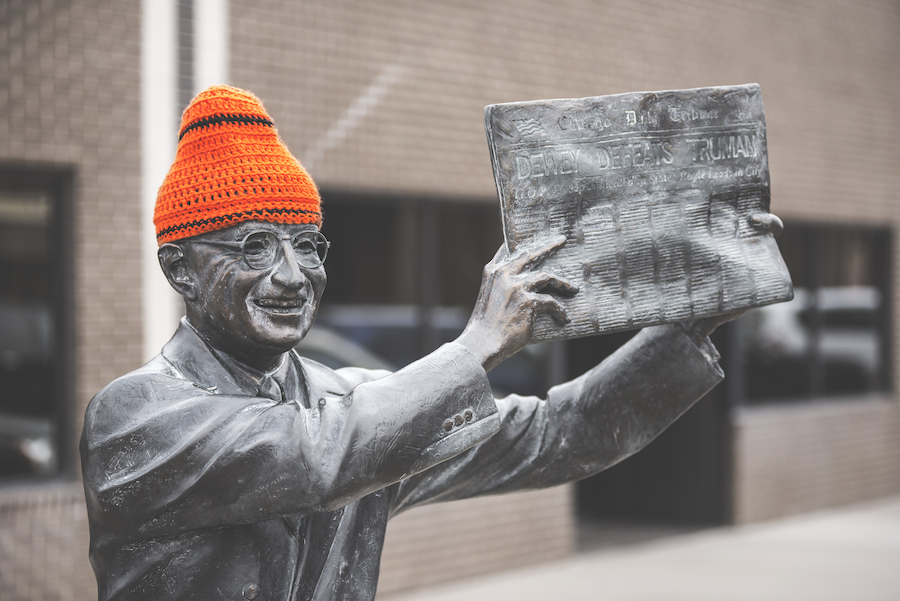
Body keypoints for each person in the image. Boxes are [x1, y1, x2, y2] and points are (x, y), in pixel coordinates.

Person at [81, 86, 771, 601]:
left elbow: (564, 432)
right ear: (180, 268)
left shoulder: (349, 400)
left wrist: (687, 322)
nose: (292, 275)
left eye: (306, 245)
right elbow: (321, 458)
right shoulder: (136, 416)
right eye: (255, 247)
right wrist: (478, 344)